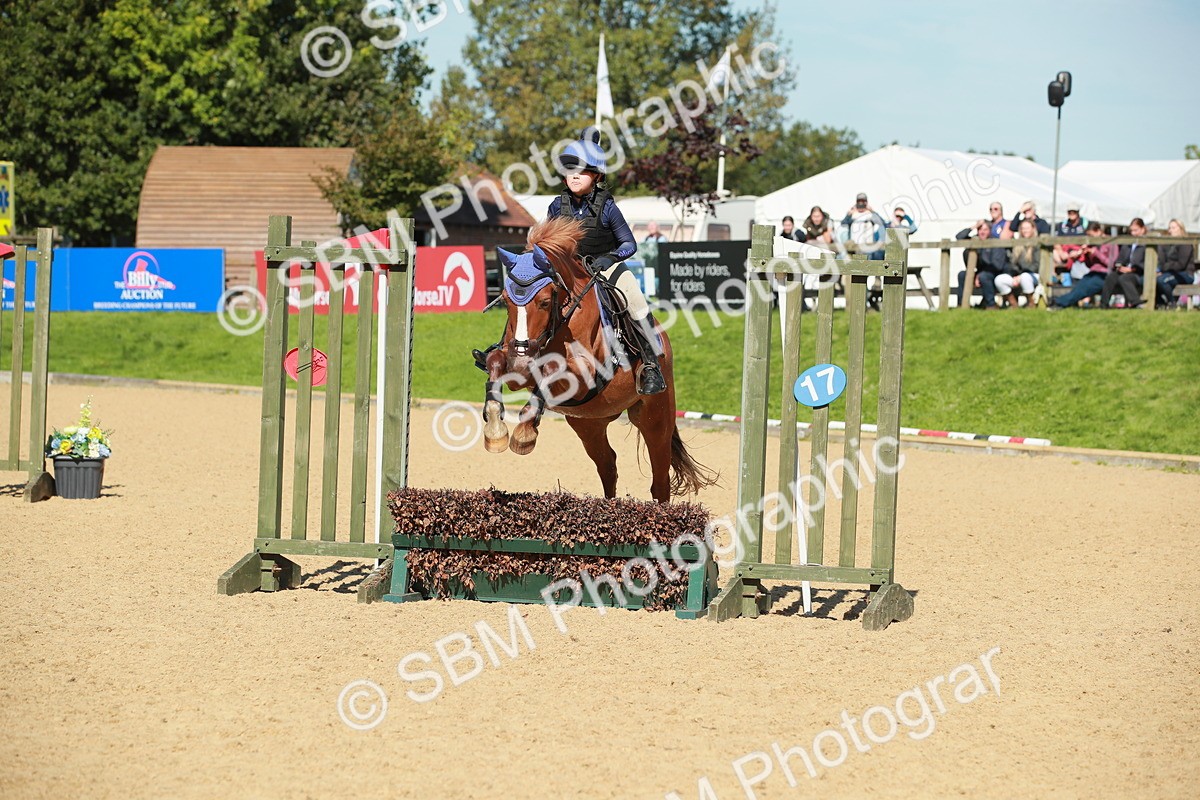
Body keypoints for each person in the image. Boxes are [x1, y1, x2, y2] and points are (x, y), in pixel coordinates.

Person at [543, 130, 665, 394]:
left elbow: (629, 244)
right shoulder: (556, 206)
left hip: (606, 266)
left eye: (583, 171)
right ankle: (514, 353)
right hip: (570, 271)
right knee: (532, 297)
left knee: (634, 299)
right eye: (569, 170)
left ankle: (651, 366)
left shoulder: (608, 207)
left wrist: (608, 258)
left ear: (597, 176)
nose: (574, 175)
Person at [1050, 221, 1116, 309]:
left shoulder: (1111, 243)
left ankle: (1059, 302)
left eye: (1091, 235)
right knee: (1079, 287)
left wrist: (1095, 252)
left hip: (1105, 275)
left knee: (1084, 289)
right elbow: (1089, 265)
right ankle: (1061, 302)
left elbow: (1111, 264)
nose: (1090, 238)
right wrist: (1085, 255)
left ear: (1098, 231)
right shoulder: (1093, 244)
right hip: (1093, 272)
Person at [954, 219, 1007, 308]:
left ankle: (991, 305)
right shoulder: (975, 240)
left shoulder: (995, 242)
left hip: (993, 273)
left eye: (985, 230)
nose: (982, 232)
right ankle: (962, 304)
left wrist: (979, 276)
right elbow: (959, 237)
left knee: (984, 276)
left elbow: (997, 265)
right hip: (979, 273)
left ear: (990, 230)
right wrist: (974, 226)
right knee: (962, 275)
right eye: (980, 229)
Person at [1102, 217, 1148, 308]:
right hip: (1125, 270)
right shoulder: (1128, 244)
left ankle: (1135, 301)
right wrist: (1119, 266)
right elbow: (1120, 259)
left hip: (1138, 273)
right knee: (1111, 277)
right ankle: (1104, 304)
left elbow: (1146, 263)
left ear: (1142, 229)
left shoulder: (1147, 244)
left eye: (1136, 230)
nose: (1133, 233)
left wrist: (1132, 269)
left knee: (1124, 278)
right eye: (1131, 231)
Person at [996, 218, 1041, 307]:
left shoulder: (1037, 244)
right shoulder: (1017, 244)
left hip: (1034, 275)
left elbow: (1036, 265)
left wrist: (1021, 275)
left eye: (1027, 228)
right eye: (1023, 228)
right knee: (999, 279)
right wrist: (1015, 276)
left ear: (1033, 229)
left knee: (1025, 277)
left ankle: (1031, 303)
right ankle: (1013, 304)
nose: (1025, 231)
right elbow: (1013, 264)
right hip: (1019, 275)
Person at [1157, 219, 1195, 306]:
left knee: (1162, 280)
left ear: (1181, 229)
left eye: (1173, 228)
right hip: (1170, 272)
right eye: (1169, 228)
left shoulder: (1186, 243)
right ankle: (1161, 304)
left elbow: (1181, 264)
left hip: (1185, 274)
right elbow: (1162, 261)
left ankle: (1172, 303)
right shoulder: (1168, 244)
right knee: (1154, 279)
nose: (1170, 230)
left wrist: (1165, 268)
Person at [840, 192, 887, 260]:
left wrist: (873, 211)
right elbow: (843, 224)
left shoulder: (871, 214)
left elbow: (882, 223)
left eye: (863, 202)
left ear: (866, 203)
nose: (861, 204)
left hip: (868, 247)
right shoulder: (853, 214)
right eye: (859, 202)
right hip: (854, 248)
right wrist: (849, 214)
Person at [1052, 207, 1087, 278]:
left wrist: (1078, 252)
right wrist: (1061, 253)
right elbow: (1056, 241)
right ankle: (1057, 277)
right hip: (1064, 253)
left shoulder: (1084, 224)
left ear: (1077, 213)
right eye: (1069, 212)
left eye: (1074, 212)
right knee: (1054, 253)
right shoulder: (1062, 225)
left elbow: (1088, 242)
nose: (1071, 214)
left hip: (1079, 254)